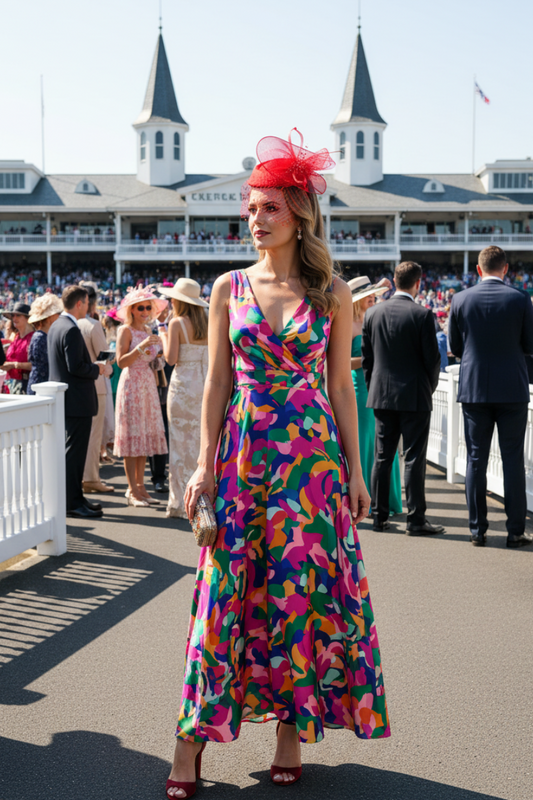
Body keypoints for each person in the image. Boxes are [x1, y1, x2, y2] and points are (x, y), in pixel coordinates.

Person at [165, 129, 389, 800]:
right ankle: (190, 738)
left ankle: (290, 734)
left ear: (298, 215)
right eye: (249, 206)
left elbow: (342, 388)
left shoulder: (332, 292)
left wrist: (353, 471)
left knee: (299, 595)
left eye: (267, 207)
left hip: (311, 466)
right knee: (223, 595)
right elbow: (215, 385)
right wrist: (203, 465)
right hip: (242, 459)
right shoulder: (227, 287)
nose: (254, 218)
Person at [448, 246, 533, 548]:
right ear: (506, 269)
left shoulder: (460, 299)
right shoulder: (521, 298)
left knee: (475, 459)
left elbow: (455, 347)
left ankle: (477, 529)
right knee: (512, 461)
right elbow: (529, 343)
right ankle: (514, 530)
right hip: (512, 389)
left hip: (475, 388)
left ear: (479, 269)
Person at [362, 261, 443, 535]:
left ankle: (378, 516)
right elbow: (433, 361)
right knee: (413, 459)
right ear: (418, 284)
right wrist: (428, 389)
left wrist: (373, 387)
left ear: (393, 281)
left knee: (382, 458)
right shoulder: (422, 315)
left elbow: (367, 360)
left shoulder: (372, 313)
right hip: (415, 396)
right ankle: (415, 520)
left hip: (382, 396)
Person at [47, 285, 105, 520]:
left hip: (69, 399)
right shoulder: (70, 328)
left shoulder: (56, 325)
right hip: (76, 400)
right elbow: (76, 367)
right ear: (80, 303)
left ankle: (76, 498)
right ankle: (72, 502)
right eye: (87, 303)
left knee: (74, 453)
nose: (89, 307)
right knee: (74, 454)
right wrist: (97, 368)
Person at [349, 276, 402, 516]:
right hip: (359, 391)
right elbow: (340, 364)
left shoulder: (375, 319)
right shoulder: (347, 325)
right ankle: (363, 498)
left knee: (384, 443)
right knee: (364, 442)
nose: (373, 300)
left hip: (380, 389)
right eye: (368, 298)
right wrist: (369, 359)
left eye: (374, 297)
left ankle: (385, 499)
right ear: (357, 301)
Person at [113, 287, 168, 507]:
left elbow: (152, 360)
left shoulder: (148, 330)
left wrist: (157, 355)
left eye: (148, 307)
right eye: (141, 307)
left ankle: (141, 487)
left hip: (147, 383)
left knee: (143, 436)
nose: (146, 311)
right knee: (131, 437)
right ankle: (131, 489)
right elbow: (121, 362)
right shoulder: (125, 331)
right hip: (131, 384)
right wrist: (142, 348)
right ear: (132, 310)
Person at [159, 278, 209, 519]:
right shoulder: (209, 321)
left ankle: (180, 503)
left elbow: (170, 359)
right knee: (204, 441)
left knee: (179, 444)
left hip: (182, 388)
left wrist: (162, 334)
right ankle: (204, 498)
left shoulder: (176, 323)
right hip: (205, 385)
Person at [78, 285, 114, 495]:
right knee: (94, 434)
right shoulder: (92, 325)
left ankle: (84, 476)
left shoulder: (70, 323)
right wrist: (110, 366)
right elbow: (102, 356)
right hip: (96, 382)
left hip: (77, 384)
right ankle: (91, 477)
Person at [27, 294, 63, 394]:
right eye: (57, 313)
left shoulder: (44, 335)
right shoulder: (39, 337)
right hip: (40, 388)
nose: (59, 315)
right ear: (49, 317)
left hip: (43, 386)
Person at [1, 303, 34, 393]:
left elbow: (38, 365)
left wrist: (14, 365)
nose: (14, 318)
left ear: (28, 318)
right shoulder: (16, 337)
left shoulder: (33, 338)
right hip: (11, 383)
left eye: (18, 315)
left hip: (27, 384)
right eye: (13, 315)